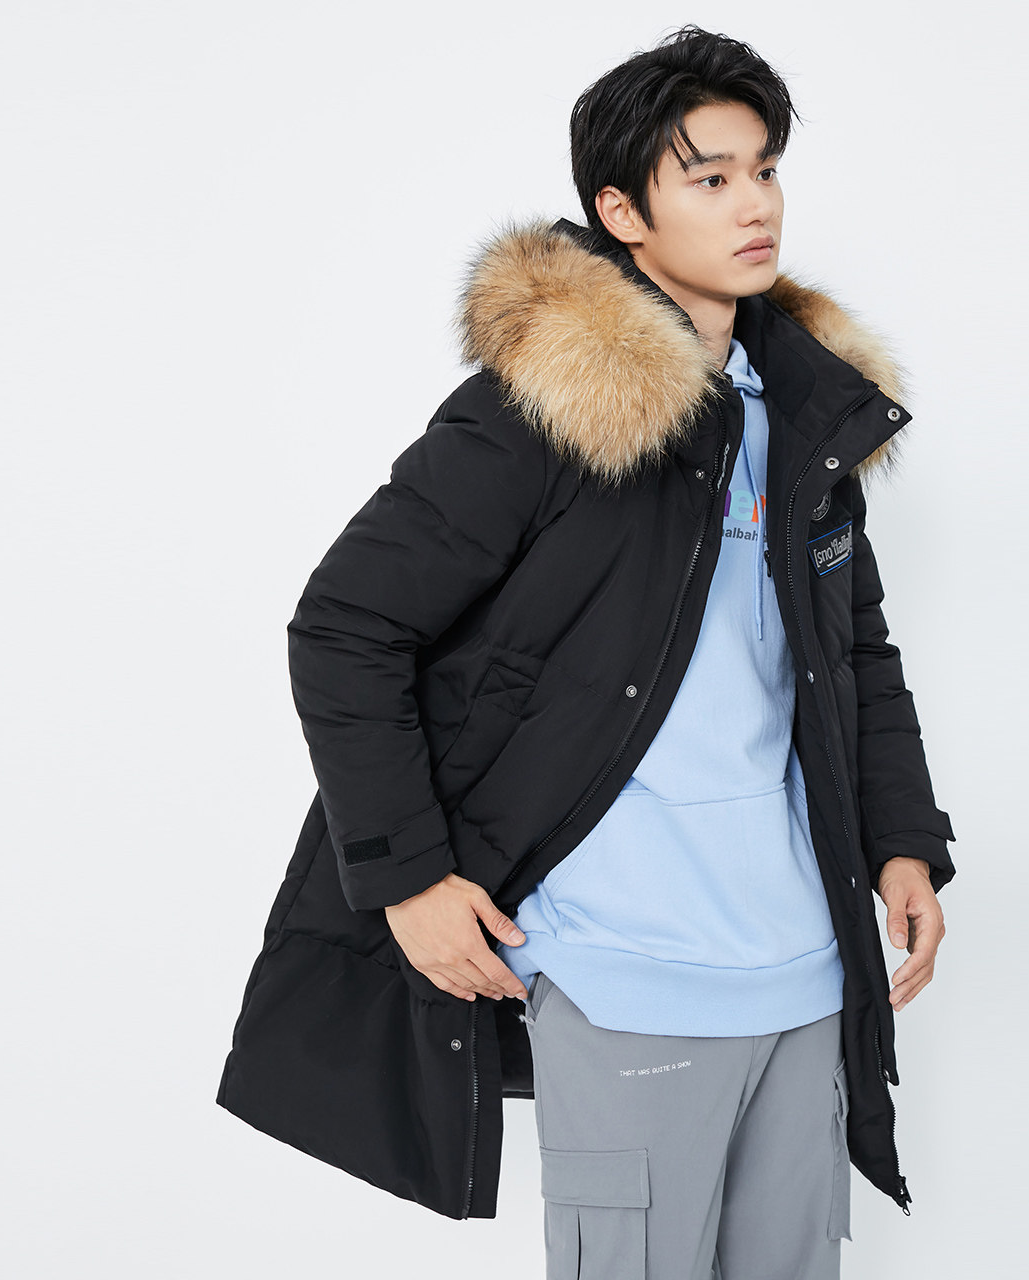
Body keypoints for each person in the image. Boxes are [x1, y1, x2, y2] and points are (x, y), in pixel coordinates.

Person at [216, 25, 956, 1279]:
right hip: (624, 972)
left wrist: (900, 837)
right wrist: (407, 877)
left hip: (802, 964)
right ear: (620, 212)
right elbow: (344, 625)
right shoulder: (542, 408)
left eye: (763, 169)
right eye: (707, 177)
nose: (754, 204)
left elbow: (855, 650)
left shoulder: (805, 414)